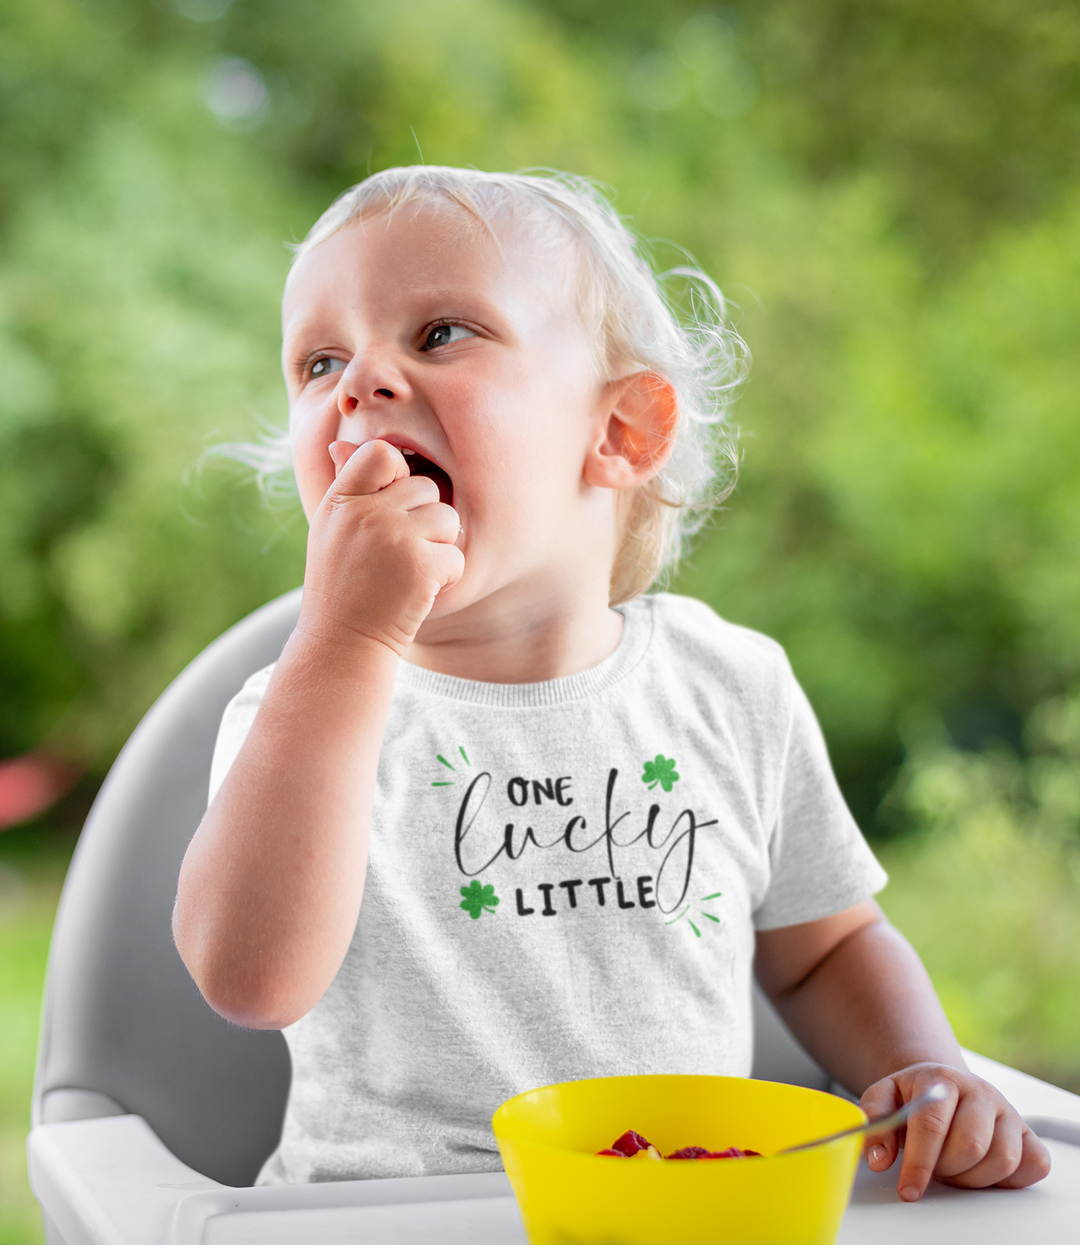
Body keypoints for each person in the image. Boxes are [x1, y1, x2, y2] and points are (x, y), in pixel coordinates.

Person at [173, 167, 1050, 1197]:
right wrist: (345, 643)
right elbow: (250, 978)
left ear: (622, 432)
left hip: (680, 1208)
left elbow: (827, 949)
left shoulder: (729, 686)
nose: (359, 380)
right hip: (389, 1218)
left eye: (441, 332)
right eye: (319, 360)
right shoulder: (305, 711)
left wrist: (923, 1073)